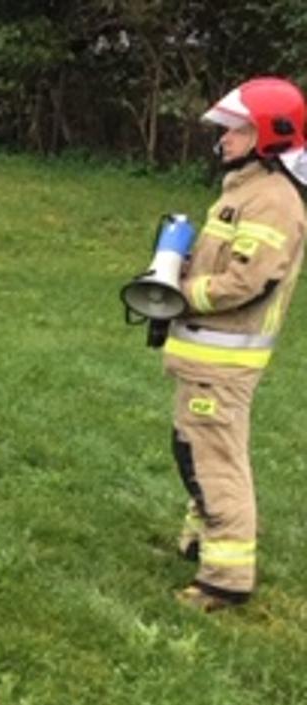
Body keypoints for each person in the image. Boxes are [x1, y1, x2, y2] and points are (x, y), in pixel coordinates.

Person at [162, 77, 307, 611]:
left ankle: (225, 579)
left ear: (267, 136)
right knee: (193, 450)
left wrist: (182, 296)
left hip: (224, 359)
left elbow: (249, 281)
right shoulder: (243, 191)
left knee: (217, 461)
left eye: (235, 130)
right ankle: (202, 539)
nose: (222, 138)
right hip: (204, 354)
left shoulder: (272, 201)